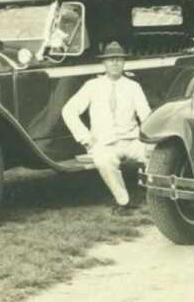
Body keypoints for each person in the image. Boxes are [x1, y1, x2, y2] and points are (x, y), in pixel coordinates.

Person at [61, 42, 152, 215]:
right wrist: (86, 138)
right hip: (105, 143)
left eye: (119, 59)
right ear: (104, 63)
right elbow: (68, 110)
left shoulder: (133, 86)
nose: (115, 63)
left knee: (156, 155)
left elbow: (146, 115)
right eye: (111, 60)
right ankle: (123, 202)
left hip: (131, 140)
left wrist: (148, 141)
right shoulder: (92, 86)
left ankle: (158, 201)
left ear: (124, 63)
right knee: (104, 161)